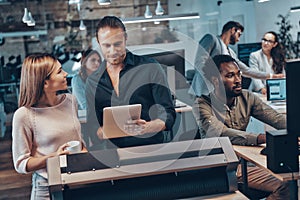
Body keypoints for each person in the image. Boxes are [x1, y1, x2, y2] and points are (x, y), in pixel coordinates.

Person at [192, 54, 289, 199]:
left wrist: (294, 127)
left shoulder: (247, 98)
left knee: (291, 179)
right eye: (230, 76)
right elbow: (222, 133)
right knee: (287, 186)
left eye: (239, 74)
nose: (238, 80)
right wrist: (261, 138)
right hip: (222, 167)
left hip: (246, 164)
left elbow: (277, 119)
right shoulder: (202, 104)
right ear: (215, 80)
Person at [85, 16, 176, 150]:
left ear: (125, 39)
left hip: (152, 147)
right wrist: (105, 131)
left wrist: (146, 128)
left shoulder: (150, 68)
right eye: (106, 45)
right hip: (115, 154)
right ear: (98, 43)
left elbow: (168, 114)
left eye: (117, 44)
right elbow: (93, 127)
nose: (113, 51)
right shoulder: (92, 82)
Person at [12, 53, 87, 200]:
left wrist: (84, 151)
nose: (65, 74)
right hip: (46, 187)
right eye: (59, 71)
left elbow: (76, 139)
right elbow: (21, 164)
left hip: (76, 181)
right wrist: (54, 157)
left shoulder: (70, 102)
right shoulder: (24, 115)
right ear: (45, 82)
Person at [189, 21, 284, 97]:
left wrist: (272, 76)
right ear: (233, 30)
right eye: (239, 34)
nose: (238, 39)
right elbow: (199, 63)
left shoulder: (231, 52)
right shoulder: (212, 39)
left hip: (217, 94)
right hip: (202, 91)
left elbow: (247, 71)